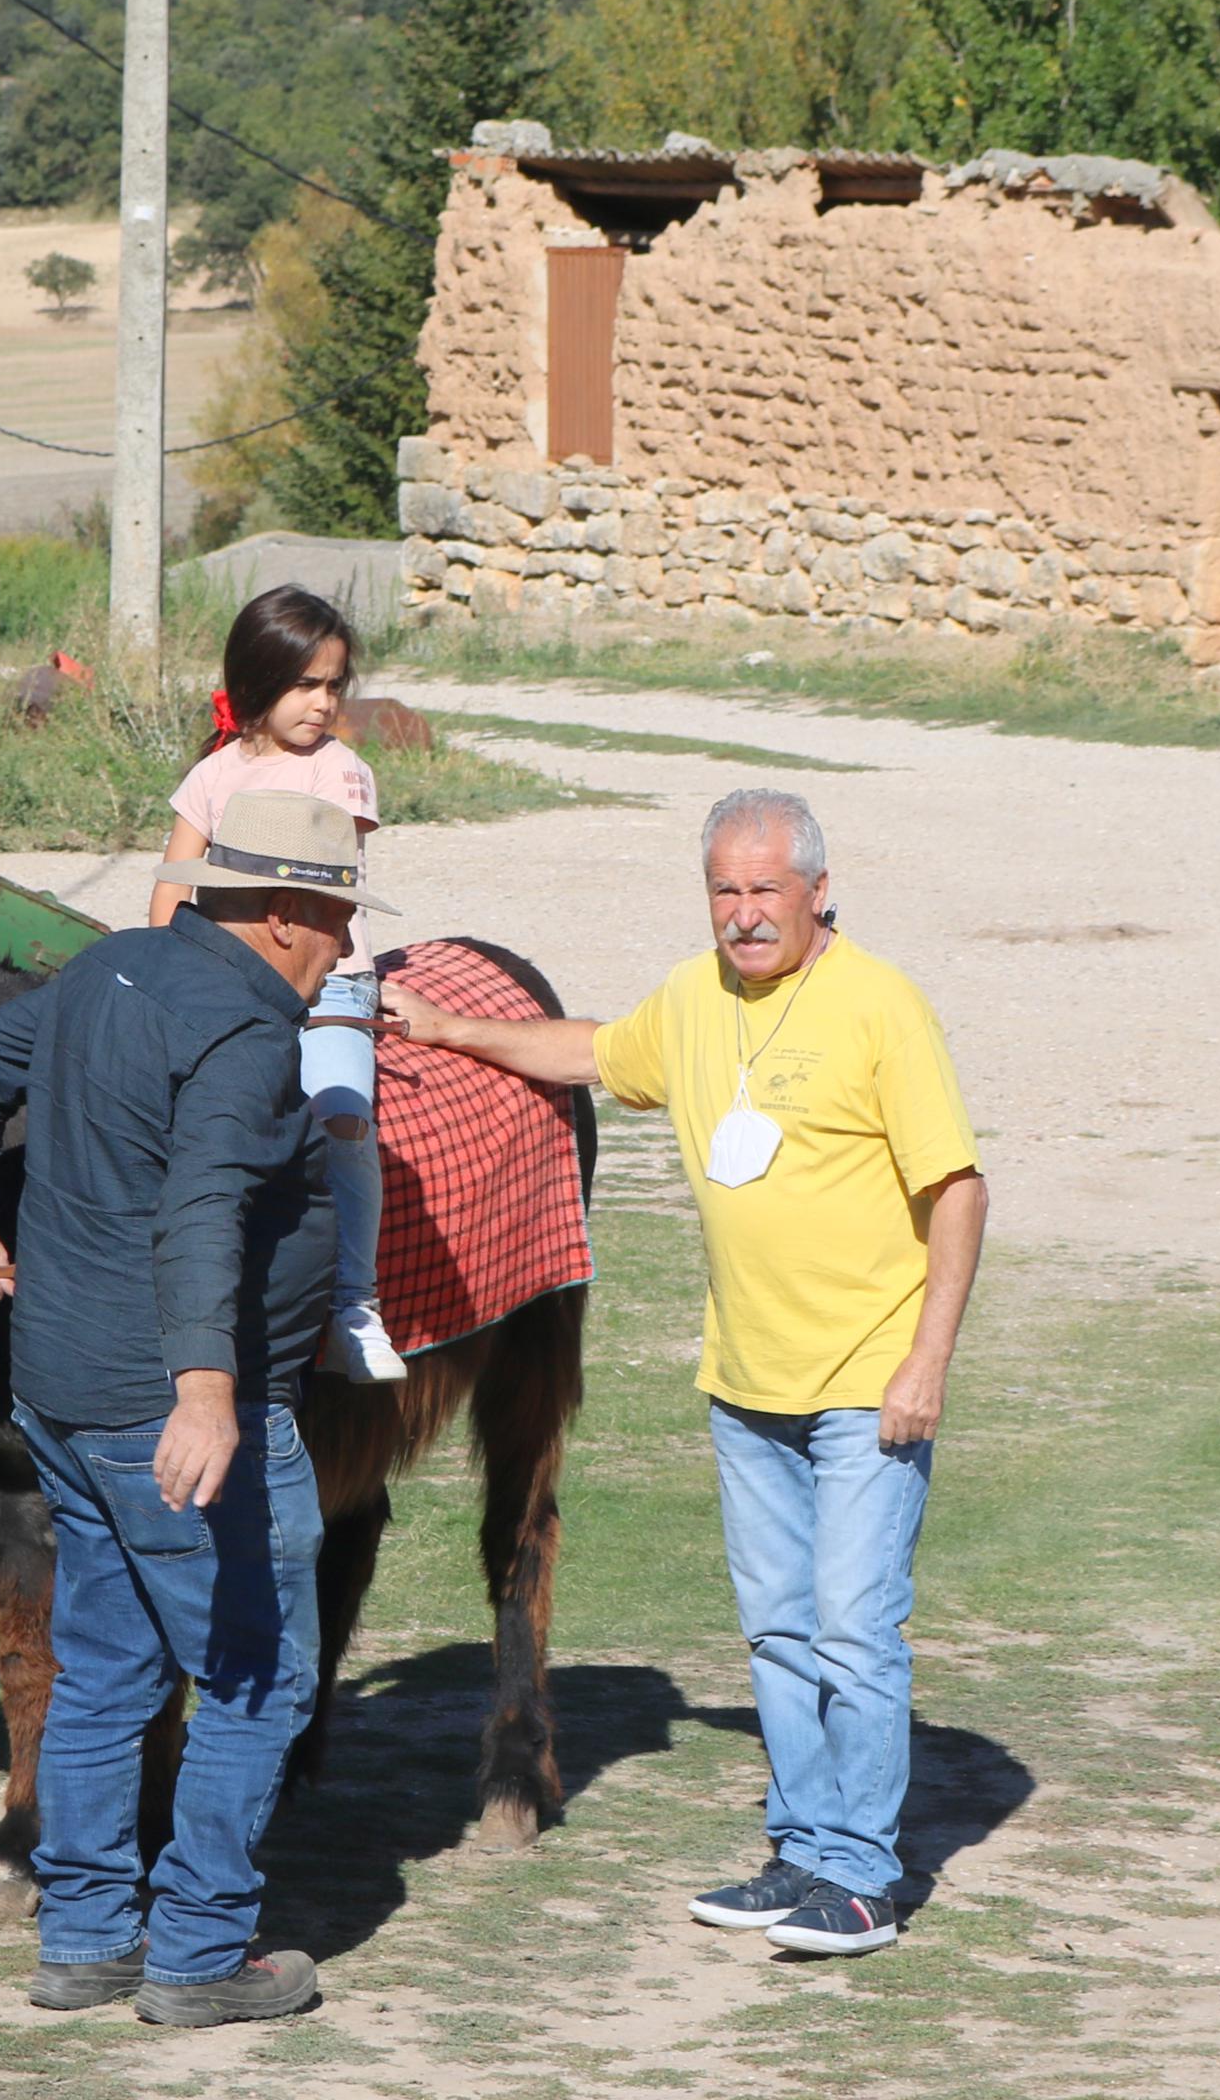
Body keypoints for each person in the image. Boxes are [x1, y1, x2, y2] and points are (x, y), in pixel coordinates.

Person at [386, 789, 983, 1959]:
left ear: (817, 890)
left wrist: (928, 1358)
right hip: (748, 1381)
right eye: (724, 890)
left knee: (854, 1630)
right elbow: (593, 1053)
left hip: (868, 1379)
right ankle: (804, 1847)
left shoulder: (878, 1007)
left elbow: (953, 1188)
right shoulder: (698, 998)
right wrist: (452, 1033)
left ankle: (861, 1875)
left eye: (766, 890)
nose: (744, 915)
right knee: (774, 1630)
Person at [0, 787, 366, 2025]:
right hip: (158, 1413)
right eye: (335, 917)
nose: (346, 947)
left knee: (108, 1669)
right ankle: (201, 1953)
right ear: (281, 912)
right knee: (255, 1676)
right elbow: (201, 1209)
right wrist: (208, 1395)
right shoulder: (244, 1036)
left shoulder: (110, 967)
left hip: (60, 1392)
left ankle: (85, 1935)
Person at [147, 583, 406, 1383]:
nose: (322, 704)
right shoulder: (212, 775)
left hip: (324, 977)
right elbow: (170, 884)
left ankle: (353, 1303)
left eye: (332, 685)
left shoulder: (342, 775)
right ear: (257, 681)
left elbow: (326, 885)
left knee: (341, 1116)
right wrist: (160, 975)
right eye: (304, 684)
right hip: (226, 975)